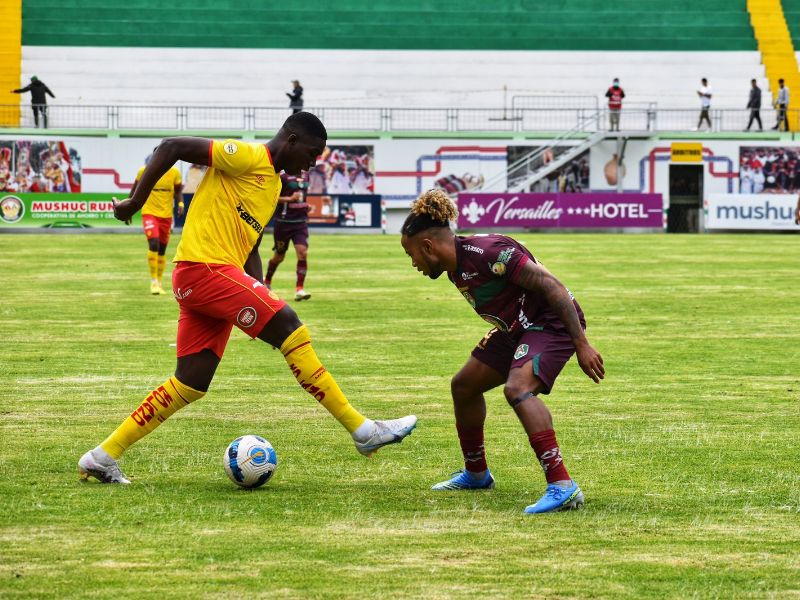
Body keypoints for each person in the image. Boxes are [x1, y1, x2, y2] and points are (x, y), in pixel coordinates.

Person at [78, 112, 416, 484]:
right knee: (290, 326)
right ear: (290, 140)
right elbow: (171, 146)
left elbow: (250, 246)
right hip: (204, 269)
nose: (314, 162)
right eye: (312, 151)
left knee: (190, 383)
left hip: (213, 277)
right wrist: (134, 201)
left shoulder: (271, 186)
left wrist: (262, 293)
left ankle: (102, 456)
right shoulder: (245, 155)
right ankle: (364, 431)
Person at [399, 190, 604, 514]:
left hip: (550, 321)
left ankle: (563, 486)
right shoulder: (455, 265)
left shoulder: (489, 253)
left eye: (412, 255)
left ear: (428, 246)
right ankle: (477, 474)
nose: (414, 264)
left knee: (518, 390)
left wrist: (581, 344)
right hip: (516, 327)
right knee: (464, 385)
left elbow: (552, 286)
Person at [130, 150, 184, 294]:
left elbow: (178, 191)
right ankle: (153, 281)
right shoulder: (144, 171)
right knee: (154, 243)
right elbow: (134, 191)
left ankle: (159, 282)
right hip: (149, 213)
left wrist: (180, 204)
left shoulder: (174, 173)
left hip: (166, 216)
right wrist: (127, 210)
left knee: (162, 249)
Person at [265, 170, 312, 301]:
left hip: (300, 223)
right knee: (279, 257)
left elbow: (303, 195)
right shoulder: (282, 176)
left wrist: (304, 206)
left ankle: (299, 289)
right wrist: (289, 199)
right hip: (283, 224)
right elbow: (271, 197)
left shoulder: (306, 175)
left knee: (302, 253)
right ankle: (267, 281)